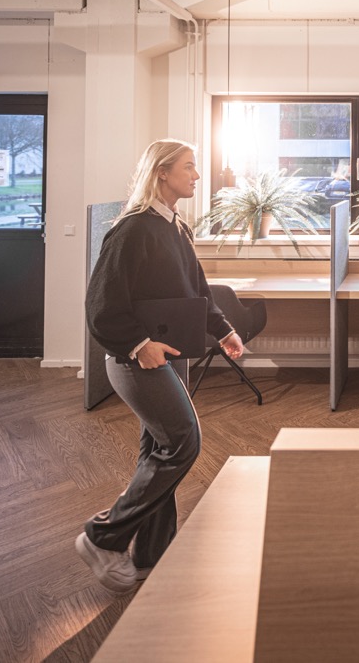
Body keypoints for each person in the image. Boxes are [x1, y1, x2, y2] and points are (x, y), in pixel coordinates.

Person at [78, 139, 244, 596]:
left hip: (168, 359)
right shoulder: (133, 230)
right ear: (161, 173)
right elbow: (100, 306)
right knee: (184, 443)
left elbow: (198, 292)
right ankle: (103, 536)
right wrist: (138, 344)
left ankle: (153, 557)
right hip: (137, 362)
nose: (196, 175)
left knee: (160, 450)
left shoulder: (175, 227)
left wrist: (223, 329)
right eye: (189, 168)